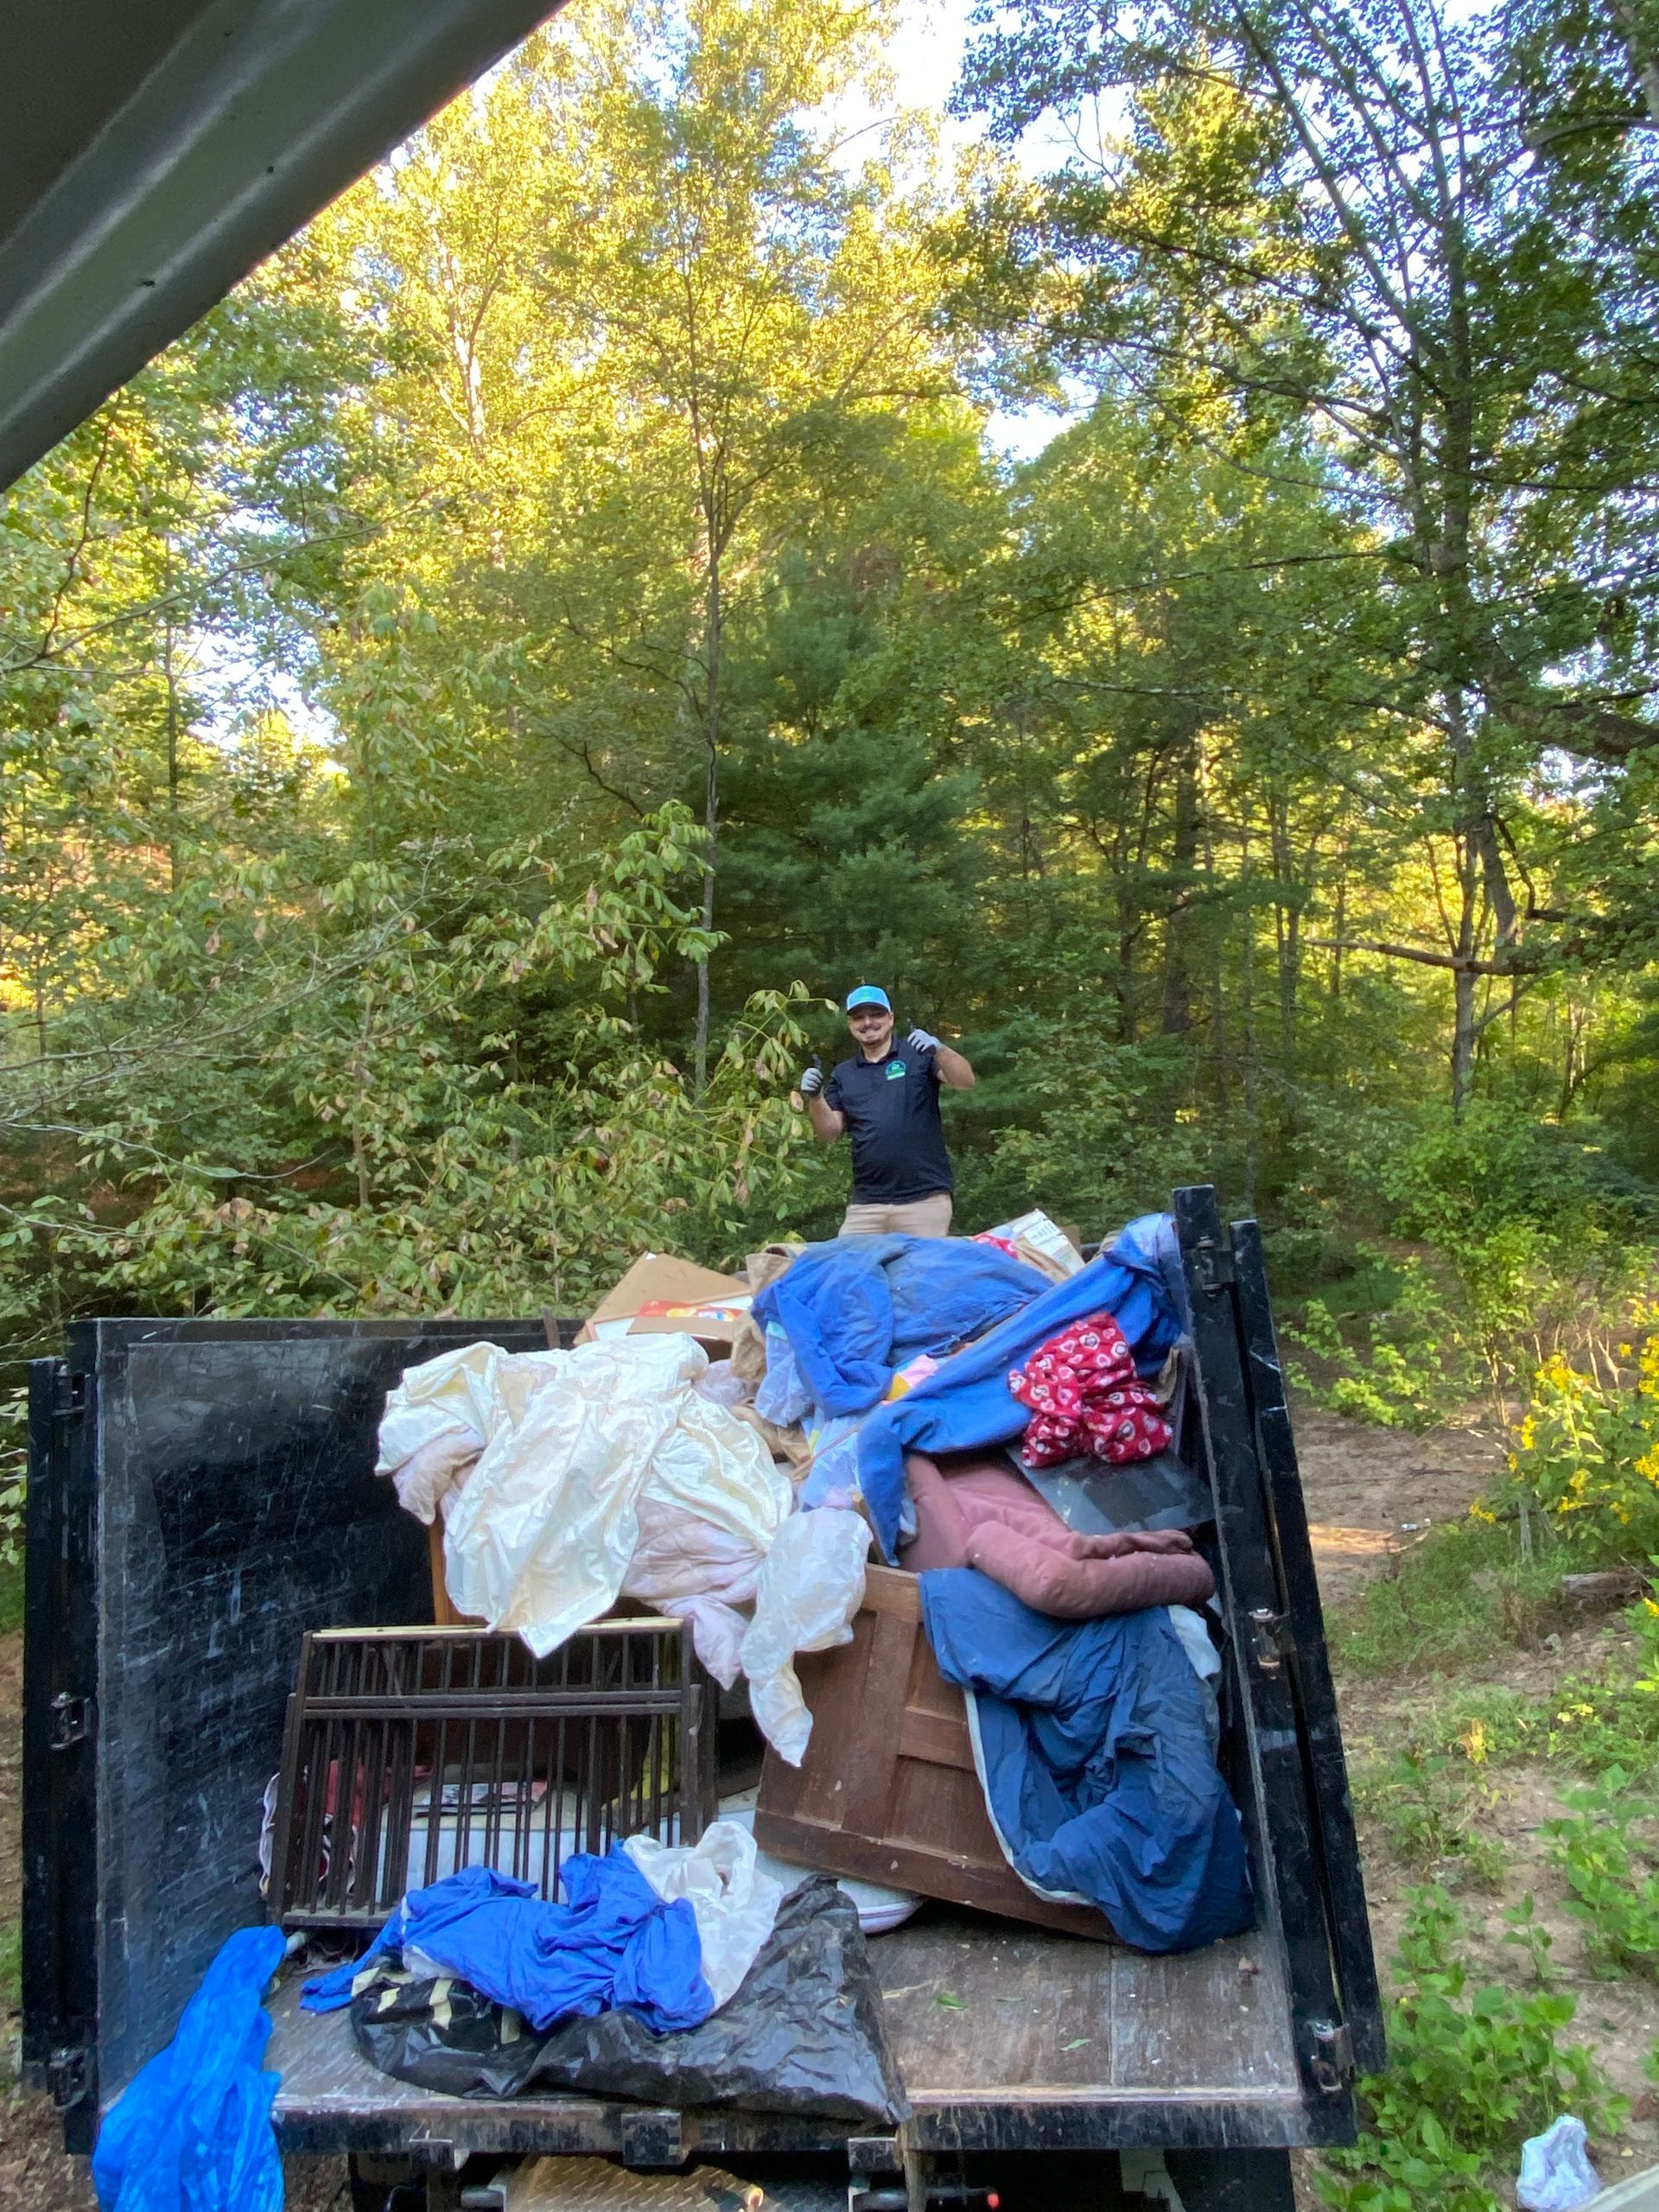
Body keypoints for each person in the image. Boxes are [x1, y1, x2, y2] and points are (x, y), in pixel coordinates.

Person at [801, 984, 976, 1237]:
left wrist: (940, 1048)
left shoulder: (918, 1054)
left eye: (876, 1014)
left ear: (890, 1018)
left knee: (919, 1275)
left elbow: (965, 1082)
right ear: (850, 1024)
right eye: (859, 1017)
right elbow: (829, 1133)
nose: (868, 1022)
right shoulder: (843, 1073)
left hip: (924, 1200)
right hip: (867, 1204)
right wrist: (815, 1098)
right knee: (851, 1272)